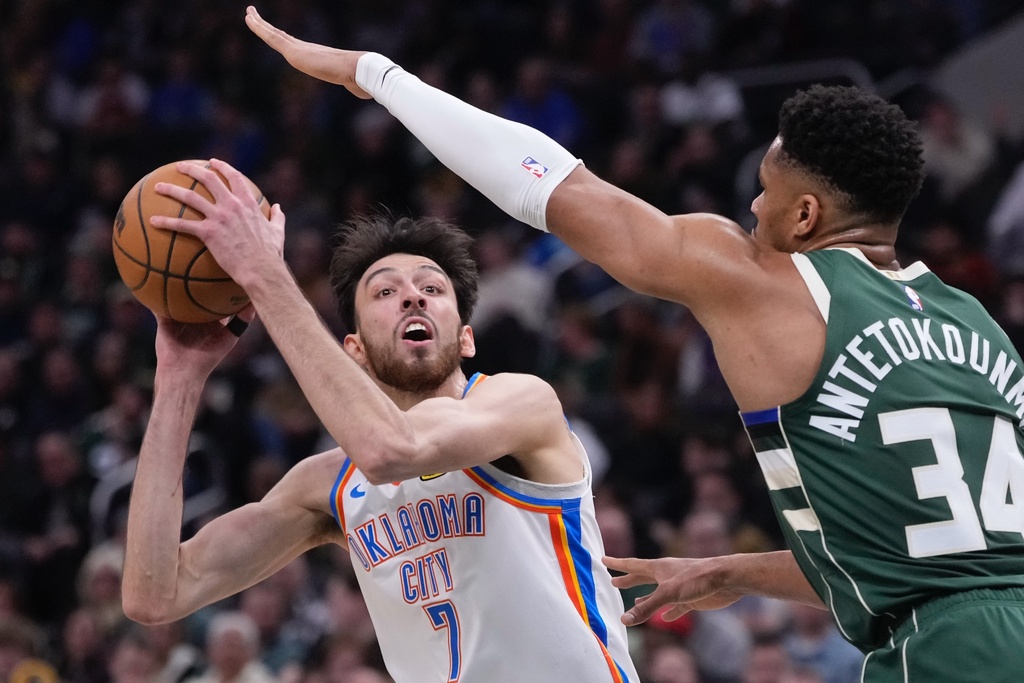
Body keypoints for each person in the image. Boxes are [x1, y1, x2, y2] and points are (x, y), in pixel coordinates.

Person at [244, 6, 1024, 681]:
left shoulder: (768, 280)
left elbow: (553, 185)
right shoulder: (976, 325)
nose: (753, 205)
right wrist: (731, 569)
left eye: (766, 189)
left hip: (943, 652)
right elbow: (937, 551)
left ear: (809, 217)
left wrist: (378, 76)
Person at [121, 203, 639, 683]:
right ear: (356, 350)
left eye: (432, 289)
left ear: (465, 338)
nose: (413, 296)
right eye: (385, 292)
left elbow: (391, 451)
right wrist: (178, 380)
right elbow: (155, 593)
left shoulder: (521, 403)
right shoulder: (329, 484)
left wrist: (264, 274)